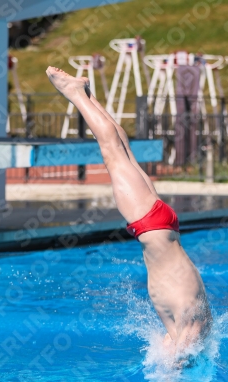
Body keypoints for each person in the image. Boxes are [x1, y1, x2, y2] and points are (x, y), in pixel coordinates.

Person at [46, 67, 212, 362]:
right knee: (112, 152)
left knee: (122, 151)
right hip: (152, 226)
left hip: (164, 226)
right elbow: (180, 358)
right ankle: (74, 94)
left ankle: (85, 93)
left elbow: (174, 346)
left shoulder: (189, 328)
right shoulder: (189, 333)